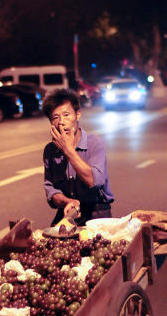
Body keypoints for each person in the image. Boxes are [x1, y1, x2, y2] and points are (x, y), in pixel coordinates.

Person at [42, 88, 114, 226]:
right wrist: (67, 201)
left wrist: (68, 150)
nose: (61, 122)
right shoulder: (50, 151)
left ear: (78, 115)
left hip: (97, 213)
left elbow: (94, 181)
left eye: (66, 115)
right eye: (55, 117)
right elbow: (51, 192)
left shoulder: (94, 143)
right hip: (68, 212)